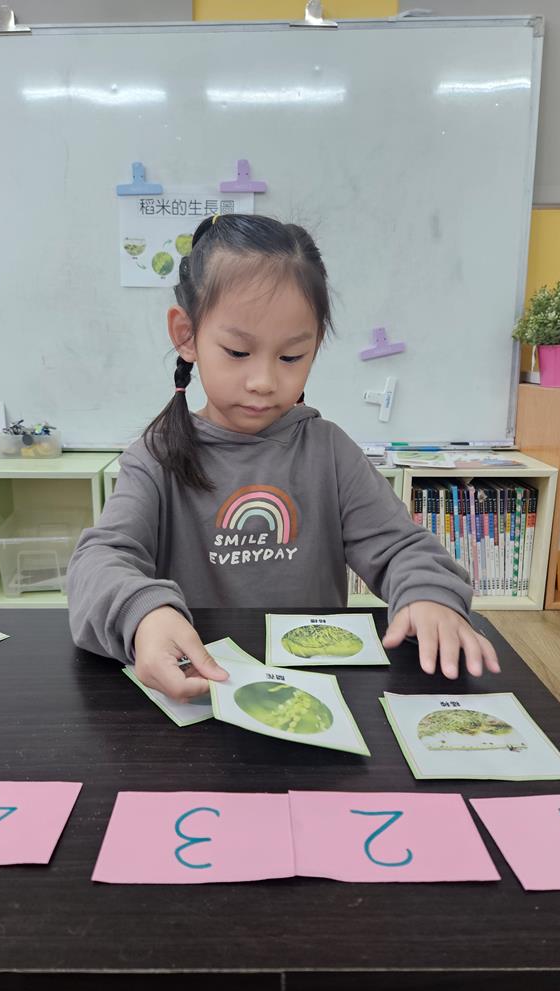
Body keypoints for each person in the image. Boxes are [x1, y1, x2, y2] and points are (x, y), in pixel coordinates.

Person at [67, 213, 500, 699]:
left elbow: (401, 547)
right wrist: (143, 614)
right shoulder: (157, 457)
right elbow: (99, 561)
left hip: (314, 691)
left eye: (291, 357)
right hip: (200, 689)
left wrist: (429, 595)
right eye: (237, 352)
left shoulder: (329, 451)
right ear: (186, 335)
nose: (264, 382)